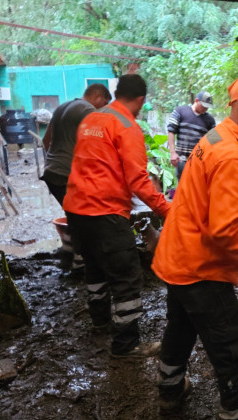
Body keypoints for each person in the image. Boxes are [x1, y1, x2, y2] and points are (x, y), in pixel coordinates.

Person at [152, 74, 238, 418]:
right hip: (201, 266)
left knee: (181, 329)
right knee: (232, 349)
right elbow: (228, 231)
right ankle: (235, 410)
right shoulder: (231, 154)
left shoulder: (217, 137)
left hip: (177, 255)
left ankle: (170, 392)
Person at [63, 74, 171, 358]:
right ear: (141, 100)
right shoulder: (127, 126)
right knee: (126, 276)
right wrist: (168, 209)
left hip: (76, 208)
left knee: (95, 268)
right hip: (105, 211)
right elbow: (138, 180)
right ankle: (126, 345)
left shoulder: (91, 119)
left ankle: (100, 322)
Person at [41, 84, 111, 274]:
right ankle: (79, 263)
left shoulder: (62, 107)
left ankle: (69, 254)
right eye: (104, 103)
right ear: (97, 96)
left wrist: (56, 161)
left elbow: (45, 141)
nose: (103, 108)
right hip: (68, 176)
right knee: (86, 220)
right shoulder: (88, 110)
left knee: (75, 217)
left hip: (51, 173)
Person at [166, 90, 216, 179]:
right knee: (182, 189)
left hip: (199, 163)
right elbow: (171, 131)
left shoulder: (210, 120)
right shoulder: (180, 111)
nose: (205, 109)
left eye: (208, 107)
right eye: (204, 106)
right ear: (196, 100)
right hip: (181, 160)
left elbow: (214, 142)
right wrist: (173, 153)